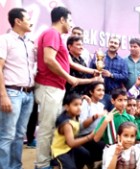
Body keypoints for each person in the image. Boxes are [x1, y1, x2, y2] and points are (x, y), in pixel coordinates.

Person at [34, 7, 100, 169]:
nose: (71, 24)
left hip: (56, 87)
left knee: (53, 128)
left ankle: (49, 160)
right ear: (62, 19)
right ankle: (41, 165)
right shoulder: (52, 34)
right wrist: (68, 77)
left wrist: (92, 71)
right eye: (70, 20)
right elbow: (49, 60)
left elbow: (69, 62)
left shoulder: (58, 37)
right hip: (49, 86)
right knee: (47, 128)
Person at [0, 8, 35, 169]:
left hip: (28, 94)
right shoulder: (5, 40)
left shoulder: (30, 43)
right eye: (27, 18)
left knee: (20, 135)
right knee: (7, 135)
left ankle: (16, 166)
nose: (31, 21)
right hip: (12, 93)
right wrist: (3, 95)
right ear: (18, 21)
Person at [50, 93, 93, 168]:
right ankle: (56, 163)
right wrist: (89, 137)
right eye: (75, 105)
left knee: (85, 154)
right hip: (60, 151)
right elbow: (71, 143)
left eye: (80, 104)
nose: (79, 107)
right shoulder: (66, 124)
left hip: (69, 147)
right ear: (67, 107)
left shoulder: (74, 116)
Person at [90, 36, 129, 111]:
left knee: (113, 118)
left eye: (115, 43)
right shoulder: (99, 56)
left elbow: (125, 77)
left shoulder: (122, 61)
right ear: (108, 43)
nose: (113, 44)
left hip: (115, 96)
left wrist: (111, 75)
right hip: (101, 94)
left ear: (119, 46)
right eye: (111, 42)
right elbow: (90, 71)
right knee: (101, 117)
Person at [78, 82, 106, 163]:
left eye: (103, 90)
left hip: (96, 136)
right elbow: (81, 126)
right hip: (84, 137)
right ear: (91, 92)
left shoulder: (101, 106)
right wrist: (96, 116)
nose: (102, 93)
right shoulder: (85, 103)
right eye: (99, 90)